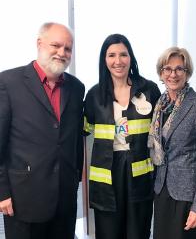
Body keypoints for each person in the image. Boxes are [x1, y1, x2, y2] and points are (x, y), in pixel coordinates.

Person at [0, 22, 85, 239]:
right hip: (23, 199)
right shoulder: (9, 82)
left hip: (65, 199)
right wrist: (2, 192)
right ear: (39, 44)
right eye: (56, 45)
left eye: (68, 48)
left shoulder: (76, 88)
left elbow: (75, 139)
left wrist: (75, 178)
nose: (62, 53)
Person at [83, 33, 160, 239]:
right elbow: (83, 129)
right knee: (108, 232)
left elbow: (162, 131)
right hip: (107, 173)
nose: (118, 61)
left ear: (131, 58)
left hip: (139, 172)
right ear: (104, 60)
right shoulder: (94, 95)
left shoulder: (149, 90)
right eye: (111, 55)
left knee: (138, 231)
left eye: (123, 55)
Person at [148, 47, 196, 239]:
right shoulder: (159, 106)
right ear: (161, 72)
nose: (173, 74)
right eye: (168, 69)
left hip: (188, 196)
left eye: (179, 69)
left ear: (187, 73)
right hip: (161, 191)